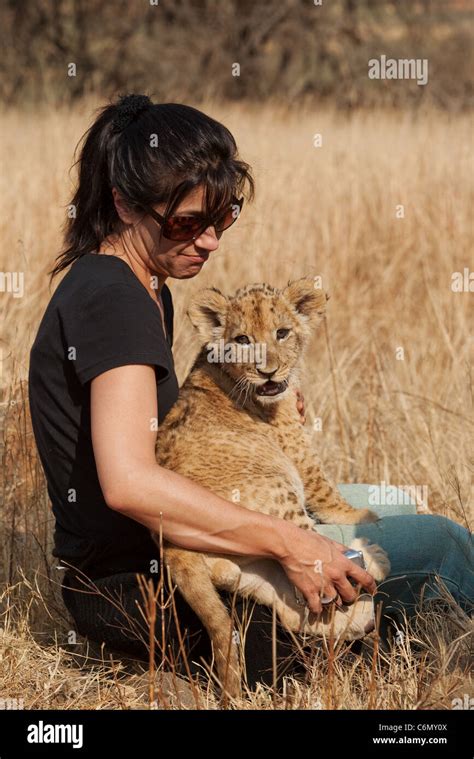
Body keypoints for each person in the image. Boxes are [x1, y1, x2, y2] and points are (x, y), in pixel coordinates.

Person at [28, 94, 473, 693]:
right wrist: (289, 542)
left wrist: (255, 400)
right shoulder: (115, 303)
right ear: (123, 204)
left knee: (395, 503)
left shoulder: (137, 282)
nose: (210, 241)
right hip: (154, 586)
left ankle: (368, 637)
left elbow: (169, 428)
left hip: (157, 562)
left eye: (224, 218)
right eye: (187, 223)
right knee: (443, 542)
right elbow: (129, 481)